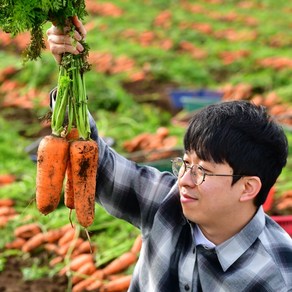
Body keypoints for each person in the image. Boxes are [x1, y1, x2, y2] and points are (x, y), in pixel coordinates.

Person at [46, 18, 292, 292]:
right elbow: (99, 168)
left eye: (203, 171)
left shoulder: (275, 277)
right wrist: (68, 70)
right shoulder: (168, 203)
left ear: (247, 187)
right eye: (186, 164)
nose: (185, 180)